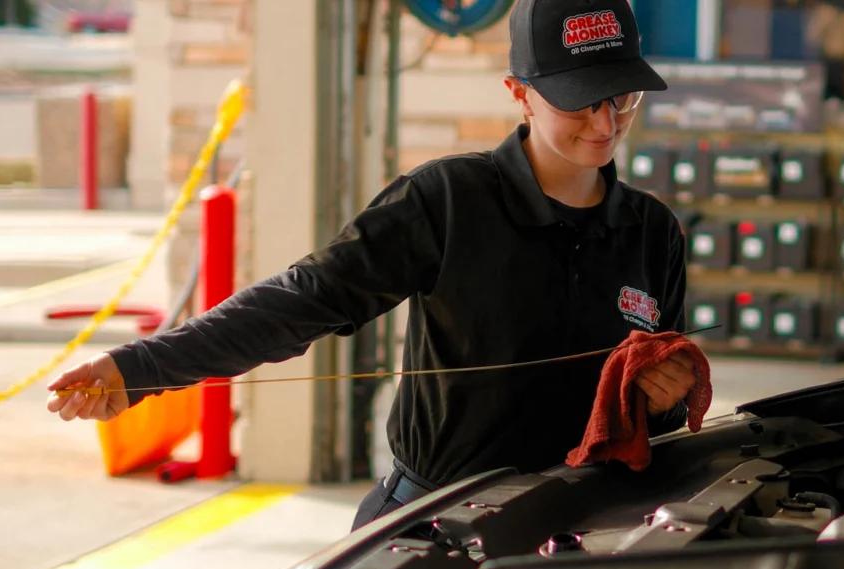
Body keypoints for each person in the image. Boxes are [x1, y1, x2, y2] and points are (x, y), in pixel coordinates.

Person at [45, 0, 698, 531]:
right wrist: (141, 368)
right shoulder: (446, 203)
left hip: (581, 527)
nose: (605, 122)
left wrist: (664, 400)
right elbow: (302, 299)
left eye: (621, 98)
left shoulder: (653, 233)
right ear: (519, 93)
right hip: (437, 525)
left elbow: (650, 426)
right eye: (579, 101)